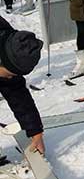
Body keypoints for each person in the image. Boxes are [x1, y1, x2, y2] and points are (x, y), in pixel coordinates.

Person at [0, 18, 45, 156]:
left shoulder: (9, 46)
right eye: (9, 74)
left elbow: (18, 95)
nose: (10, 78)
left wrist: (36, 131)